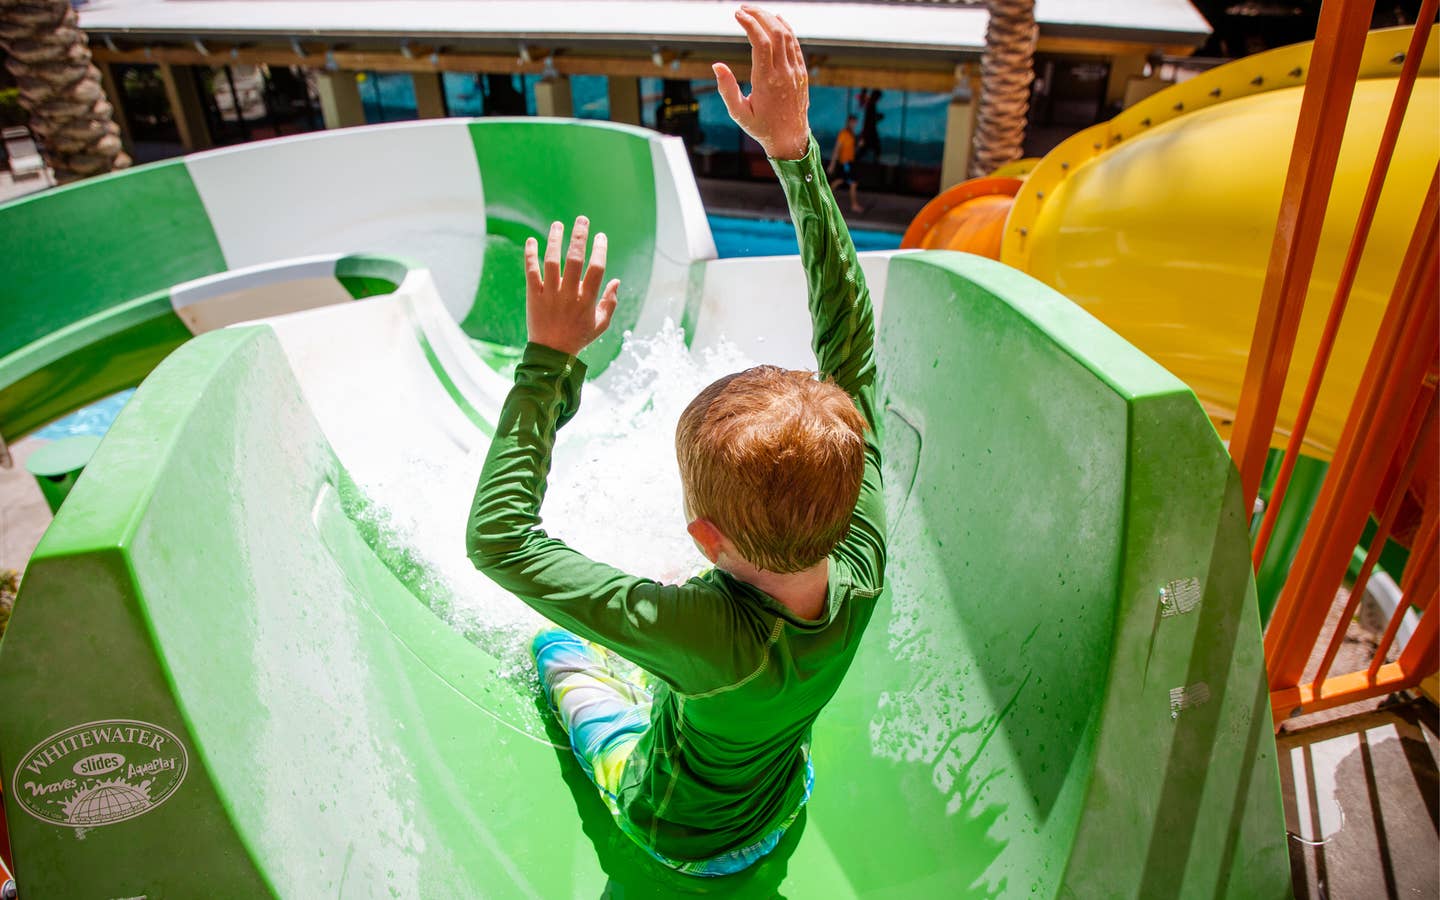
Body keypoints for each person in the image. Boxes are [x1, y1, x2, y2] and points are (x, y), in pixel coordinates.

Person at [466, 3, 885, 879]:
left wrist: (546, 364)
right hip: (781, 800)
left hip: (677, 834)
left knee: (555, 652)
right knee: (674, 665)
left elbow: (497, 541)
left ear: (705, 536)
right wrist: (795, 154)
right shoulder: (865, 556)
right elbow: (853, 340)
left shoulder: (705, 633)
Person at [827, 114, 862, 213]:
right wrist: (832, 164)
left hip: (849, 162)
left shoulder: (851, 134)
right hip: (846, 162)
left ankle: (825, 197)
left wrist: (858, 145)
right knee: (853, 183)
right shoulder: (843, 134)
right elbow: (837, 149)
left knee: (840, 180)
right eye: (852, 121)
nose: (854, 124)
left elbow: (851, 149)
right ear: (849, 122)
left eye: (855, 122)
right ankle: (854, 205)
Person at [857, 88, 883, 163]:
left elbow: (869, 120)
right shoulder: (871, 105)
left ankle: (850, 168)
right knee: (875, 149)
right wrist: (863, 136)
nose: (878, 100)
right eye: (878, 98)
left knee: (865, 151)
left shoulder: (871, 105)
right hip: (870, 133)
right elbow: (868, 121)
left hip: (869, 133)